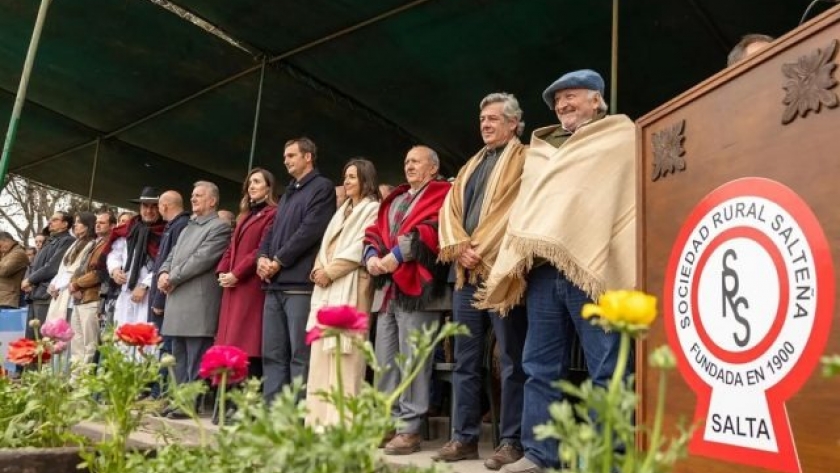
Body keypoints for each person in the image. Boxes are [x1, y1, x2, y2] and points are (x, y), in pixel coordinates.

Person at [477, 70, 636, 473]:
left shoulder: (621, 138)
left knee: (608, 369)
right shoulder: (543, 149)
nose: (563, 105)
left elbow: (625, 204)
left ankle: (609, 458)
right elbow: (531, 208)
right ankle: (540, 453)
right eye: (557, 101)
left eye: (571, 97)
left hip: (596, 271)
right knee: (539, 367)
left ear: (597, 99)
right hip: (544, 273)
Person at [434, 92, 529, 469]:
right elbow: (449, 211)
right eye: (483, 119)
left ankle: (512, 440)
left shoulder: (526, 159)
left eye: (493, 118)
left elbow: (516, 211)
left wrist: (481, 250)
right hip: (466, 273)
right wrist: (459, 249)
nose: (485, 124)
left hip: (504, 272)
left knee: (510, 359)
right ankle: (464, 438)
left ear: (513, 123)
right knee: (465, 360)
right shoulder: (473, 163)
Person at [363, 145, 452, 455]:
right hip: (388, 289)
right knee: (385, 360)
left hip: (420, 290)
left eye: (416, 161)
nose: (409, 165)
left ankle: (409, 429)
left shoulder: (443, 192)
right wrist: (372, 256)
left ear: (432, 167)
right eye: (406, 161)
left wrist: (395, 256)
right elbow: (373, 232)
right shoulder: (397, 198)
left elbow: (432, 230)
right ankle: (386, 422)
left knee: (414, 359)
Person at [257, 137, 336, 404]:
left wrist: (278, 260)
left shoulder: (322, 188)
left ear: (308, 157)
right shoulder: (290, 191)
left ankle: (297, 416)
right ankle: (273, 412)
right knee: (273, 353)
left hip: (299, 286)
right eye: (285, 156)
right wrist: (262, 257)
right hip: (274, 285)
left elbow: (309, 231)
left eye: (291, 155)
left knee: (299, 355)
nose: (286, 160)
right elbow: (272, 229)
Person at [305, 159, 380, 427]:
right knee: (321, 356)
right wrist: (317, 270)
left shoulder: (373, 208)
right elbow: (325, 246)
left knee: (347, 357)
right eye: (345, 176)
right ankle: (317, 422)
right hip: (327, 286)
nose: (346, 182)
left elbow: (360, 247)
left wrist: (330, 271)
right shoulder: (342, 210)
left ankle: (343, 424)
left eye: (352, 177)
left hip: (352, 286)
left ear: (365, 180)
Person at [158, 181, 231, 414]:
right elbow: (171, 256)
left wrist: (172, 277)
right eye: (192, 195)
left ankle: (191, 402)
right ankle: (178, 398)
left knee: (196, 356)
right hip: (178, 296)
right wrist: (163, 272)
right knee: (178, 354)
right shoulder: (188, 226)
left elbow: (201, 259)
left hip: (198, 301)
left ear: (213, 201)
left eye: (199, 195)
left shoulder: (219, 227)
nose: (193, 199)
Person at [216, 168, 278, 384]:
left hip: (250, 286)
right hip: (232, 286)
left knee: (246, 341)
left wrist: (236, 273)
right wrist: (223, 271)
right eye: (250, 182)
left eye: (257, 182)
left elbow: (260, 249)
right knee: (228, 341)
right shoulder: (245, 215)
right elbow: (231, 247)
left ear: (268, 187)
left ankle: (242, 397)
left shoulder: (272, 213)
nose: (251, 186)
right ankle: (226, 396)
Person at [104, 187, 166, 330]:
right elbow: (115, 253)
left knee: (144, 340)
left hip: (149, 294)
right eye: (145, 206)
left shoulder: (165, 231)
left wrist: (145, 285)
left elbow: (164, 262)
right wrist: (114, 270)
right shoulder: (130, 228)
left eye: (154, 207)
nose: (149, 211)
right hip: (126, 291)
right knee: (121, 338)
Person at [68, 211, 115, 376]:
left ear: (112, 226)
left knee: (90, 344)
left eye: (102, 222)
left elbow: (99, 273)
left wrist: (76, 284)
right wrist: (73, 285)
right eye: (97, 222)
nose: (98, 224)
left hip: (93, 298)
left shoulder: (110, 244)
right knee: (77, 343)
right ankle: (76, 380)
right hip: (79, 299)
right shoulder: (95, 243)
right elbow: (79, 268)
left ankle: (87, 381)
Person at [21, 212, 75, 340]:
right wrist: (29, 282)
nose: (50, 222)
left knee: (43, 340)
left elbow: (53, 267)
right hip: (35, 294)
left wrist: (30, 280)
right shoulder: (50, 240)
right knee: (31, 340)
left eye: (55, 220)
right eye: (51, 220)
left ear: (65, 224)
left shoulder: (68, 241)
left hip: (47, 295)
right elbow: (34, 265)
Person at [46, 213, 97, 324]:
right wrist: (53, 283)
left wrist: (58, 285)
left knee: (66, 328)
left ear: (87, 225)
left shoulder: (91, 243)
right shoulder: (76, 242)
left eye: (79, 222)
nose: (75, 225)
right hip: (60, 288)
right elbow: (63, 267)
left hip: (70, 289)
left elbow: (76, 269)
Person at [0, 232, 29, 309]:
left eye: (0, 245)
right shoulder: (7, 254)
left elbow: (4, 271)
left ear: (6, 241)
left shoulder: (19, 253)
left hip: (8, 299)